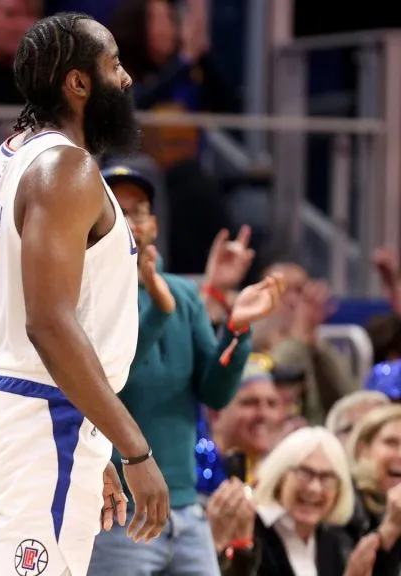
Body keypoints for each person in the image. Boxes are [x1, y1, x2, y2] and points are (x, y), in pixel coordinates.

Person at [0, 13, 170, 576]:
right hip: (39, 416)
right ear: (78, 82)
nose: (127, 79)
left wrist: (93, 443)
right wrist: (134, 448)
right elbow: (49, 323)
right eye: (114, 64)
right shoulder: (65, 169)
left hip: (12, 410)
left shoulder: (10, 158)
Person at [87, 165, 284, 576]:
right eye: (115, 210)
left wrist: (237, 327)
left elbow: (215, 392)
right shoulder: (81, 295)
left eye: (138, 211)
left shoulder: (183, 294)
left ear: (153, 224)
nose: (128, 222)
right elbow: (108, 383)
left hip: (188, 511)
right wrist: (158, 309)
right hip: (118, 515)